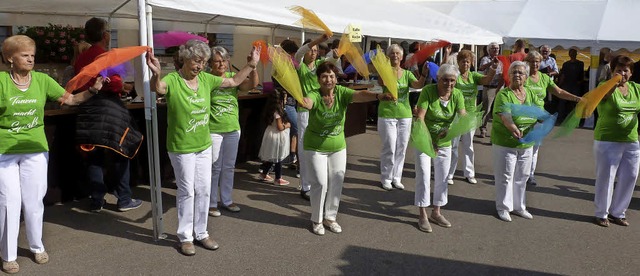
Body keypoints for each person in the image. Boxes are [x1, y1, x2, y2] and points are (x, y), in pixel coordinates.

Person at [146, 39, 259, 255]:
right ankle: (185, 237)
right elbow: (159, 89)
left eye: (203, 62)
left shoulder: (206, 79)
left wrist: (252, 64)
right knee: (187, 191)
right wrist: (156, 74)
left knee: (204, 189)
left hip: (203, 145)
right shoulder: (173, 79)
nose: (200, 66)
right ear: (185, 59)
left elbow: (235, 81)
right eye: (197, 61)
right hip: (181, 147)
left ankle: (201, 233)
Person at [0, 35, 100, 274]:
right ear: (10, 58)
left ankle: (37, 246)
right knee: (8, 203)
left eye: (32, 55)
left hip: (36, 150)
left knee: (34, 201)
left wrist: (93, 91)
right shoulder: (1, 82)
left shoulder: (42, 80)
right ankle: (8, 254)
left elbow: (72, 99)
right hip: (5, 151)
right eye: (25, 55)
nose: (30, 59)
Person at [297, 62, 393, 235]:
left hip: (338, 147)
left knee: (337, 181)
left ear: (336, 79)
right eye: (324, 76)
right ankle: (317, 220)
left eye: (332, 76)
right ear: (318, 79)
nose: (329, 79)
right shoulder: (315, 94)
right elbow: (309, 102)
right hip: (315, 147)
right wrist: (305, 103)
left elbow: (360, 95)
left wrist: (378, 97)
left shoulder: (342, 93)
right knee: (320, 183)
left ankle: (330, 218)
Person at [74, 17, 143, 213]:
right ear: (105, 35)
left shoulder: (81, 58)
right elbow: (112, 83)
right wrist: (125, 86)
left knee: (93, 157)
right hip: (109, 110)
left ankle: (97, 200)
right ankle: (124, 199)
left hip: (87, 109)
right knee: (121, 152)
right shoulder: (105, 55)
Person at [413, 64, 466, 233]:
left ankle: (436, 212)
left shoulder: (457, 94)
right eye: (445, 80)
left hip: (444, 142)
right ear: (438, 79)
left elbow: (463, 116)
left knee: (443, 178)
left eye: (452, 80)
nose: (449, 84)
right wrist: (429, 142)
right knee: (423, 174)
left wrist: (453, 130)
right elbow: (420, 118)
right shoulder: (428, 91)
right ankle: (422, 214)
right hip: (424, 139)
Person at [207, 46, 259, 217]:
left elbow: (251, 85)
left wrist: (253, 66)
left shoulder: (233, 77)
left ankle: (227, 200)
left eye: (224, 60)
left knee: (228, 167)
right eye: (217, 61)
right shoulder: (207, 79)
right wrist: (249, 66)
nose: (221, 63)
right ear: (211, 63)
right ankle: (211, 202)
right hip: (214, 129)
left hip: (232, 129)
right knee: (215, 167)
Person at [592, 55, 640, 227]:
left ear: (631, 73)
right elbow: (604, 96)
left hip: (631, 139)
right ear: (612, 72)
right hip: (607, 139)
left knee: (631, 175)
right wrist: (614, 83)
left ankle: (618, 212)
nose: (622, 73)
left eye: (625, 70)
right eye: (618, 70)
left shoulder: (636, 88)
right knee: (606, 176)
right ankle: (601, 213)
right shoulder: (603, 87)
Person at [492, 61, 542, 222]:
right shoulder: (504, 94)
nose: (517, 75)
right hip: (505, 142)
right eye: (513, 72)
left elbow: (538, 112)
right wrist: (513, 127)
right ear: (509, 76)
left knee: (523, 176)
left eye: (520, 72)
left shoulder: (530, 93)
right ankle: (503, 207)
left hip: (526, 142)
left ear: (526, 77)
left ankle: (519, 207)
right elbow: (505, 116)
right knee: (505, 176)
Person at [523, 51, 581, 186]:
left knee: (534, 148)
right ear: (527, 62)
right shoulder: (522, 76)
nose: (535, 64)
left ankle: (530, 175)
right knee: (522, 147)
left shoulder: (544, 78)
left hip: (539, 118)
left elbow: (559, 92)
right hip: (522, 117)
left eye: (537, 61)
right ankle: (519, 173)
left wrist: (577, 98)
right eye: (532, 61)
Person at [377, 44, 428, 191]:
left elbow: (418, 84)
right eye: (392, 53)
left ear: (402, 56)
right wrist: (384, 67)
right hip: (387, 114)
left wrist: (424, 74)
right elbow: (381, 82)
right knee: (390, 147)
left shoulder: (406, 74)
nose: (395, 56)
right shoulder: (384, 71)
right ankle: (386, 177)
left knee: (401, 147)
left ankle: (396, 177)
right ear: (388, 56)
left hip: (405, 115)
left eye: (397, 53)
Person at [447, 50, 498, 185]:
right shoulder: (454, 76)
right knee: (453, 146)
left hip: (470, 116)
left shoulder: (474, 76)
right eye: (463, 61)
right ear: (458, 62)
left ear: (471, 63)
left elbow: (487, 79)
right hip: (455, 116)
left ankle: (469, 173)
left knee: (468, 146)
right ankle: (449, 174)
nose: (465, 63)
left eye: (468, 61)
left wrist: (493, 68)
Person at [294, 34, 331, 201]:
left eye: (316, 50)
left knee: (319, 146)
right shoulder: (300, 66)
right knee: (304, 148)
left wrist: (337, 54)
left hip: (319, 110)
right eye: (311, 50)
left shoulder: (319, 66)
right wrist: (317, 40)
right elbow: (299, 54)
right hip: (304, 111)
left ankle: (318, 182)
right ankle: (305, 185)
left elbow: (331, 61)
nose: (314, 52)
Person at [258, 90, 291, 185]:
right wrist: (287, 125)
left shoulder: (270, 110)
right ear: (280, 100)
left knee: (271, 157)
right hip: (277, 136)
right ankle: (278, 178)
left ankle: (264, 174)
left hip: (270, 133)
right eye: (284, 98)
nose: (286, 100)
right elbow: (280, 127)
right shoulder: (278, 113)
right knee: (278, 157)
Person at [277, 39, 300, 168]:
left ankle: (292, 156)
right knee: (296, 127)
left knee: (294, 130)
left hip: (292, 101)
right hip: (286, 102)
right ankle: (290, 157)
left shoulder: (292, 64)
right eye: (291, 54)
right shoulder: (281, 65)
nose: (292, 57)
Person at [478, 42, 504, 138]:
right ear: (489, 50)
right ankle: (483, 128)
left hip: (499, 87)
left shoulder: (501, 60)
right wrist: (492, 62)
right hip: (489, 87)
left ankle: (498, 130)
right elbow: (481, 67)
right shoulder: (485, 59)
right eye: (493, 48)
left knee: (499, 110)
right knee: (486, 109)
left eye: (497, 48)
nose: (496, 50)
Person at [557, 48, 585, 121]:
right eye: (571, 53)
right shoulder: (566, 64)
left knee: (575, 102)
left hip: (575, 85)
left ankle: (575, 118)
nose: (572, 55)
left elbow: (582, 74)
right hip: (568, 85)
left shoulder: (580, 63)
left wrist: (580, 81)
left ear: (576, 54)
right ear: (569, 54)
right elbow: (563, 75)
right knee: (563, 102)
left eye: (574, 53)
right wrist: (559, 85)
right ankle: (561, 117)